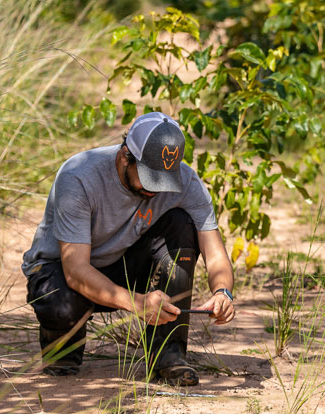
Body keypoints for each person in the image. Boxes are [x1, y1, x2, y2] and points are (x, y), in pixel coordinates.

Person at [22, 111, 235, 385]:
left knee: (181, 224)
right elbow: (75, 270)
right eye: (149, 177)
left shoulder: (186, 182)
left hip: (121, 264)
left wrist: (223, 292)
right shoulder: (79, 176)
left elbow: (215, 251)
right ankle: (62, 354)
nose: (155, 190)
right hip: (60, 274)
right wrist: (138, 303)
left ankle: (168, 357)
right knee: (59, 303)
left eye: (163, 180)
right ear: (125, 156)